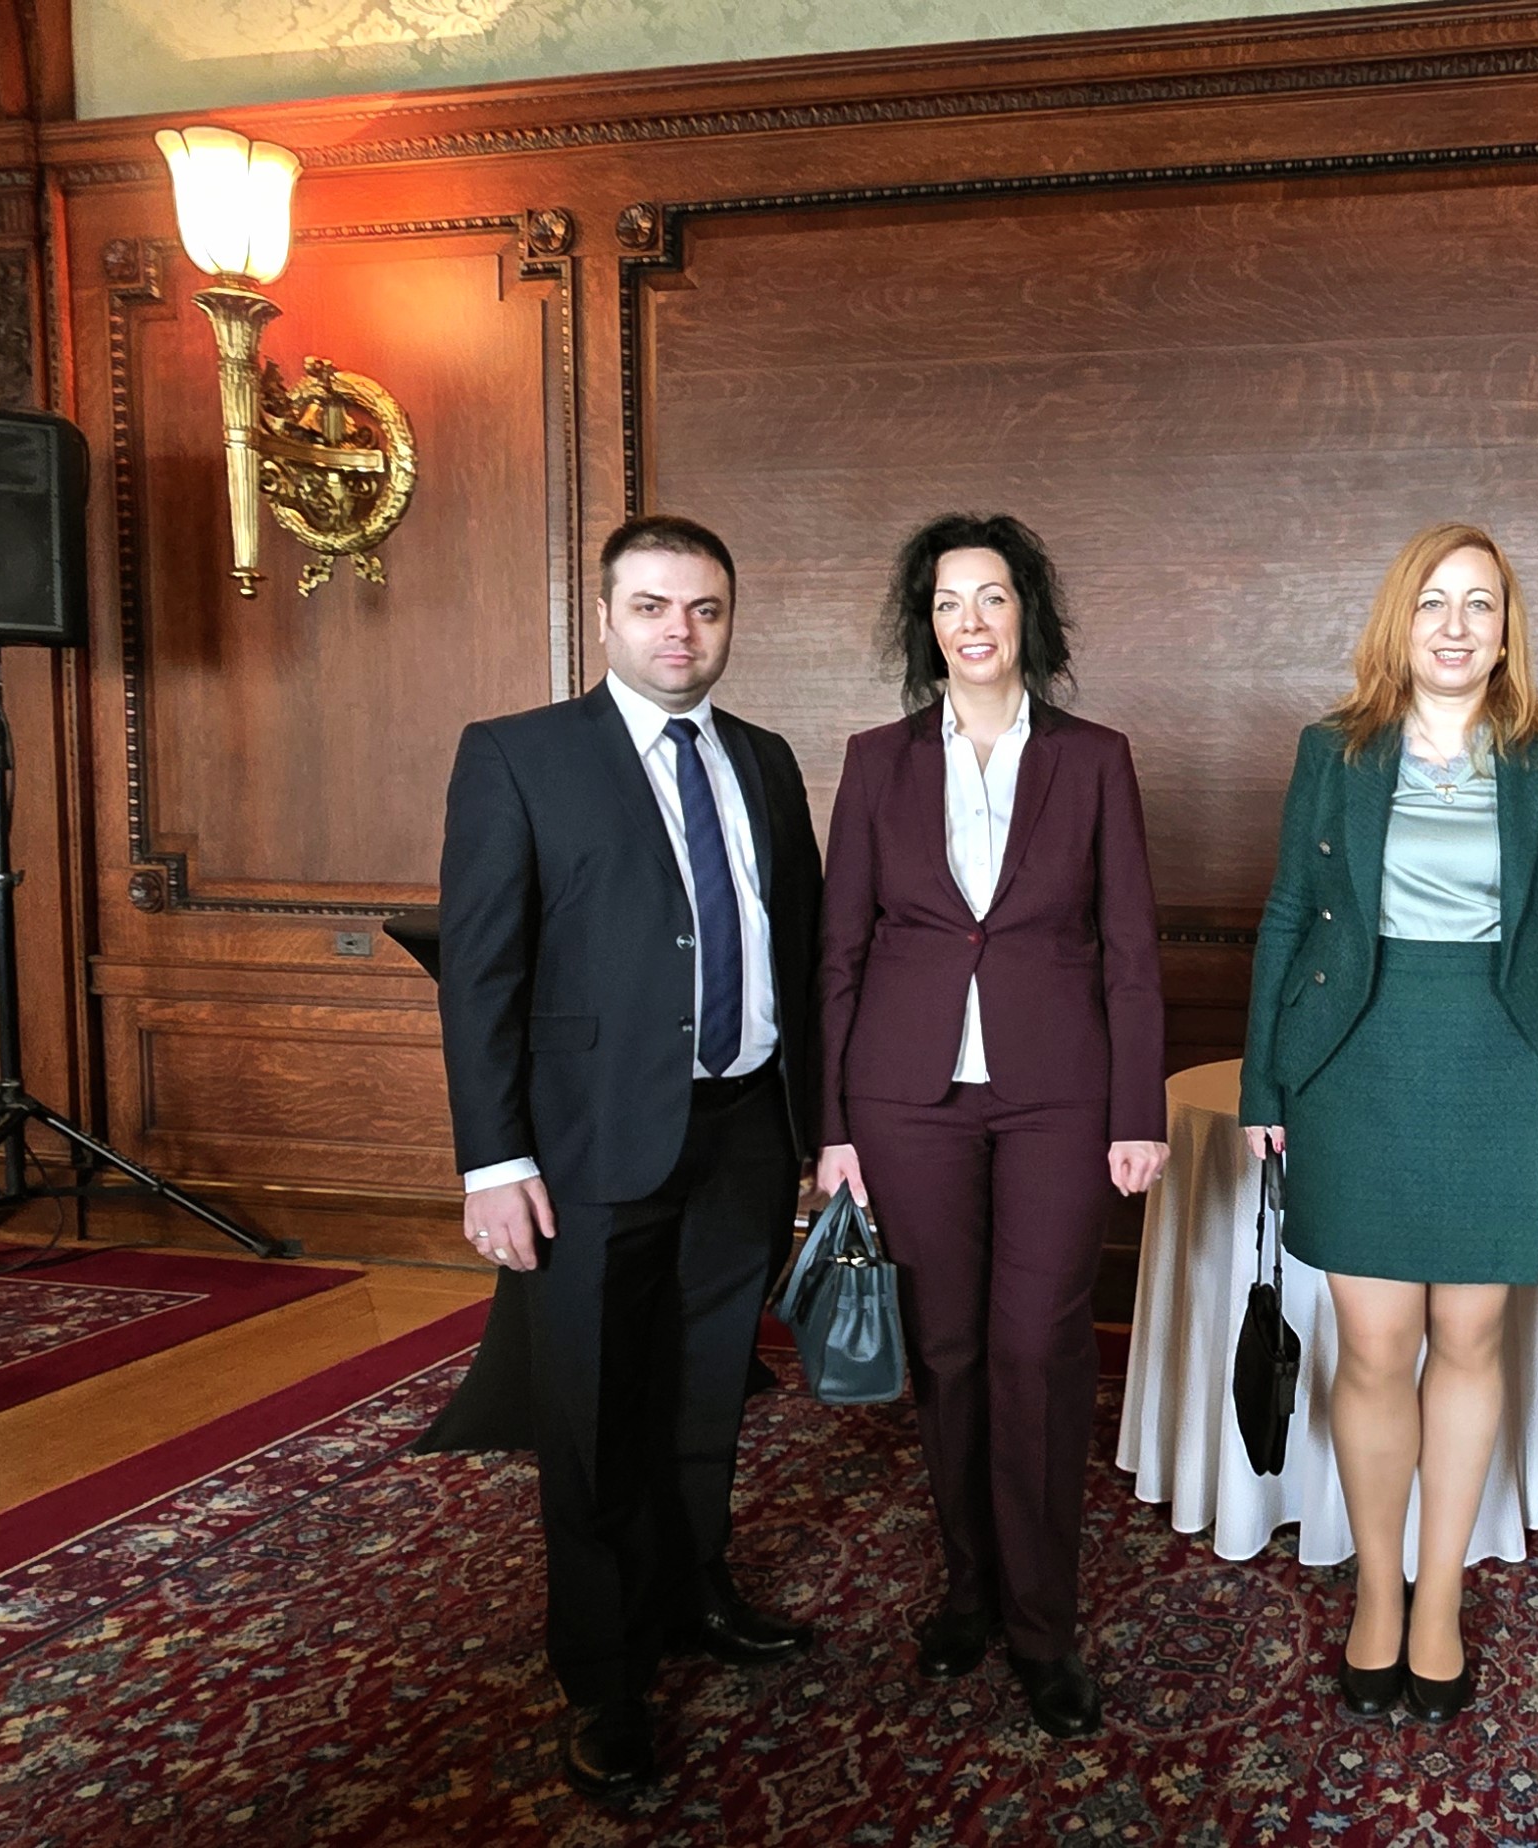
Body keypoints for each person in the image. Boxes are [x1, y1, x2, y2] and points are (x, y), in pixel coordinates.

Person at [436, 513, 824, 1805]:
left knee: (711, 1388)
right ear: (606, 617)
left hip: (744, 1136)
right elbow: (481, 976)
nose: (681, 632)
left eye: (705, 609)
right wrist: (494, 1161)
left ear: (730, 621)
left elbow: (805, 964)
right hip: (592, 1146)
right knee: (594, 1412)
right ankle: (602, 1672)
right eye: (654, 606)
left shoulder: (766, 763)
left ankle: (695, 1590)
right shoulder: (517, 757)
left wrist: (818, 1131)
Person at [814, 513, 1167, 1741]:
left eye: (994, 597)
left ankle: (1043, 1624)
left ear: (1030, 617)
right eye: (950, 600)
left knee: (1038, 1349)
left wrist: (1138, 1111)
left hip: (1060, 1097)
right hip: (903, 1100)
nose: (972, 620)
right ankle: (968, 1592)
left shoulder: (1094, 758)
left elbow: (1128, 948)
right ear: (928, 624)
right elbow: (839, 949)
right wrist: (832, 1127)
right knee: (949, 1354)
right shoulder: (874, 761)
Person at [1237, 522, 1538, 1726]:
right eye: (1433, 602)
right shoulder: (1334, 750)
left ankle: (1439, 1597)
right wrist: (1265, 1086)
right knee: (1375, 1348)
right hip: (1358, 1057)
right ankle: (1376, 1595)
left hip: (1503, 1068)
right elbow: (1288, 911)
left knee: (1473, 1341)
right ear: (1401, 619)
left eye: (1480, 605)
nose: (1455, 626)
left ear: (1508, 626)